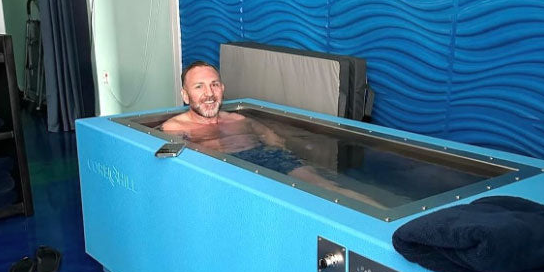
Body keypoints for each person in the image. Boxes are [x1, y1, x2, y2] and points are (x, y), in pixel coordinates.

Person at [161, 61, 384, 208]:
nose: (209, 93)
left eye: (214, 84)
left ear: (223, 88)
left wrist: (287, 152)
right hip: (227, 171)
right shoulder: (175, 128)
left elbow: (273, 140)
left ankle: (384, 215)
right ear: (185, 95)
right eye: (199, 86)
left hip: (263, 157)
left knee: (325, 187)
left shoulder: (240, 120)